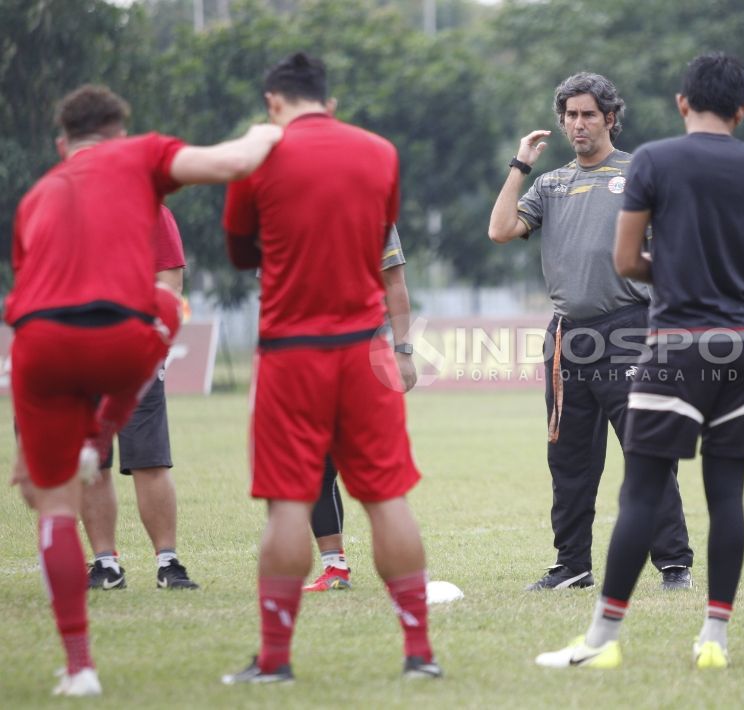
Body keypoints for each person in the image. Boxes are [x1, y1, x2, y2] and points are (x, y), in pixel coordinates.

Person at [7, 84, 280, 697]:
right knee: (164, 304)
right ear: (119, 132)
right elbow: (234, 161)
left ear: (61, 144)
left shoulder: (37, 195)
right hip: (119, 334)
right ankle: (99, 431)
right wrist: (273, 128)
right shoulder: (140, 156)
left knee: (51, 505)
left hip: (38, 344)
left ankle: (79, 668)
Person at [535, 52, 744, 670]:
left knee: (641, 490)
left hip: (674, 344)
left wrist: (672, 277)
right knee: (728, 497)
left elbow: (626, 261)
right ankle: (714, 641)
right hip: (743, 348)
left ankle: (601, 641)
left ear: (682, 104)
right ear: (743, 108)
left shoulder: (653, 161)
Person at [219, 52, 441, 685]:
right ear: (330, 102)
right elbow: (382, 240)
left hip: (291, 353)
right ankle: (419, 653)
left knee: (289, 503)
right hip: (364, 349)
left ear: (273, 103)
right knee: (387, 497)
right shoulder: (379, 152)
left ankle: (275, 660)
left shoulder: (257, 154)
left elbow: (240, 254)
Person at [488, 72, 693, 592]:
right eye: (570, 115)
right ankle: (572, 566)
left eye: (588, 114)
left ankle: (674, 564)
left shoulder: (639, 173)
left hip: (629, 330)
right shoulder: (551, 184)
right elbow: (500, 230)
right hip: (566, 339)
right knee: (569, 460)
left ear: (610, 118)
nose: (578, 124)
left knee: (645, 453)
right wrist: (520, 165)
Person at [82, 205, 200, 591]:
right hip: (79, 350)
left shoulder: (152, 211)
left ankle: (168, 562)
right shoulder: (66, 206)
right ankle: (105, 565)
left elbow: (170, 283)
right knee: (92, 462)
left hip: (135, 351)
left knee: (150, 460)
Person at [304, 225, 414, 593]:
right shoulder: (284, 201)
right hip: (305, 355)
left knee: (380, 472)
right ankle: (334, 567)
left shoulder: (373, 206)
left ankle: (407, 581)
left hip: (364, 353)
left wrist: (403, 351)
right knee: (314, 466)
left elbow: (394, 282)